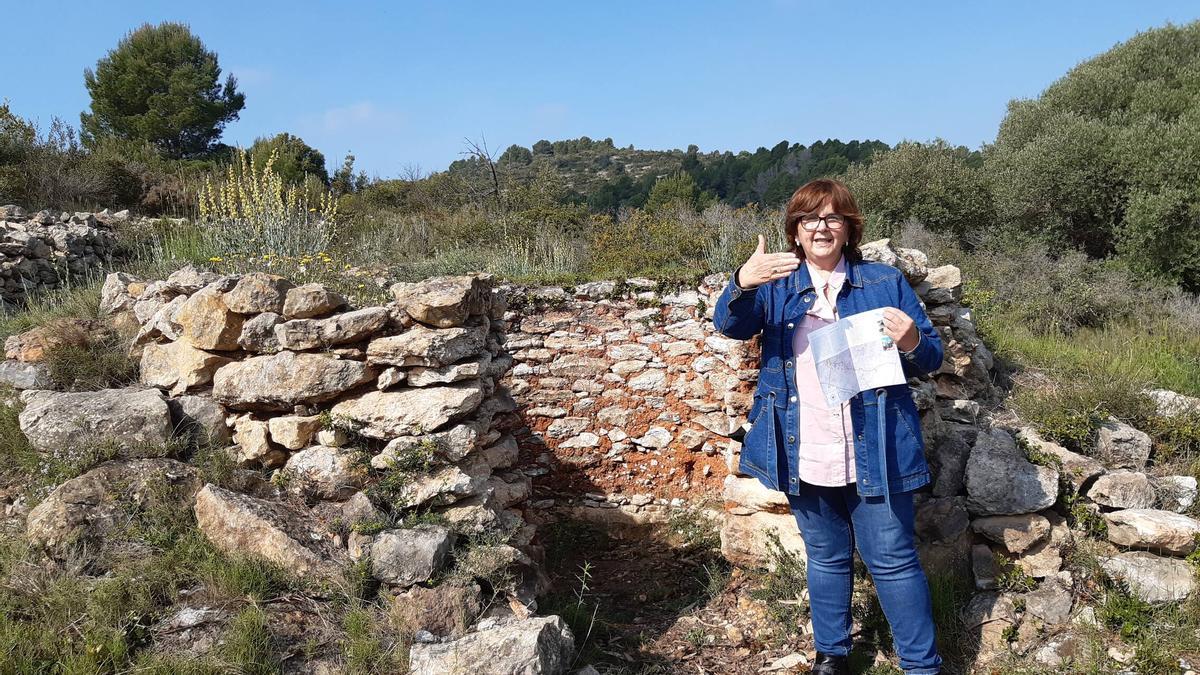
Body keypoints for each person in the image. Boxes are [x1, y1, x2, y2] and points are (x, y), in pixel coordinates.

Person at [712, 178, 944, 675]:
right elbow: (729, 325)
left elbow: (932, 355)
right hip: (805, 444)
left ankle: (921, 666)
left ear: (848, 228)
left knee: (893, 559)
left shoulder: (884, 282)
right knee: (826, 555)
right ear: (795, 231)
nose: (821, 226)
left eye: (832, 217)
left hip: (876, 444)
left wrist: (909, 340)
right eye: (809, 218)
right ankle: (832, 657)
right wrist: (741, 280)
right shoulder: (775, 286)